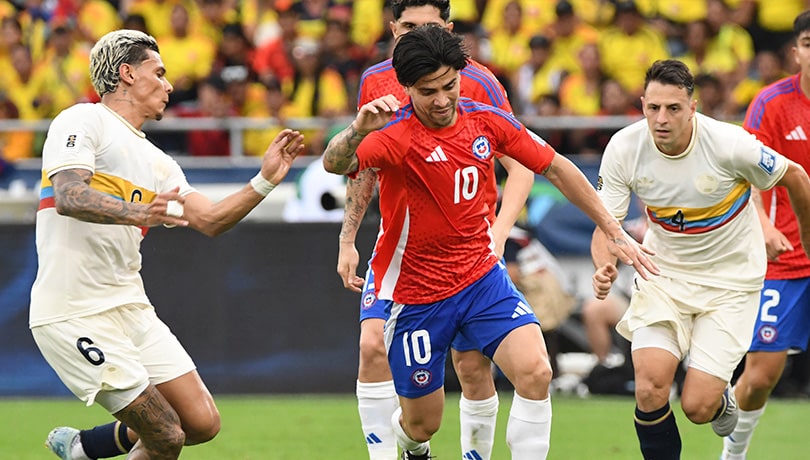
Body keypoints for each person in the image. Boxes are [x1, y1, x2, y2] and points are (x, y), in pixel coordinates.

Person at [323, 24, 656, 460]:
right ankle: (409, 446)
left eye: (449, 85)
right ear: (407, 88)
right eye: (428, 91)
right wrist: (357, 130)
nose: (442, 100)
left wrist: (613, 229)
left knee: (536, 371)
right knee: (423, 423)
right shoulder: (392, 134)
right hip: (416, 294)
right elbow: (335, 162)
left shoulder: (487, 119)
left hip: (481, 279)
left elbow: (557, 168)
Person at [32, 29, 304, 460]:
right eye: (158, 73)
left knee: (199, 423)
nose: (170, 85)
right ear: (126, 74)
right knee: (166, 436)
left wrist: (265, 180)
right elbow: (68, 196)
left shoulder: (160, 163)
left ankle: (85, 447)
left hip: (130, 308)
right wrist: (139, 212)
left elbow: (211, 221)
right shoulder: (81, 120)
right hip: (73, 311)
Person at [337, 1, 535, 459]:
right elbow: (364, 166)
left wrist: (500, 231)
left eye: (427, 27)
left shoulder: (478, 81)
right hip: (402, 251)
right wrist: (348, 238)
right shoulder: (376, 80)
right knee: (371, 347)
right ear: (392, 28)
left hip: (470, 248)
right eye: (407, 27)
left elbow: (521, 164)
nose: (415, 35)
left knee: (472, 367)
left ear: (447, 29)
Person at [591, 59, 810, 460]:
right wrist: (605, 263)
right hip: (663, 275)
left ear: (693, 107)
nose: (662, 118)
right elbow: (608, 224)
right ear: (641, 104)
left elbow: (795, 175)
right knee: (650, 387)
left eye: (673, 108)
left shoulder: (729, 144)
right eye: (653, 108)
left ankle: (719, 398)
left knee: (697, 407)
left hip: (730, 283)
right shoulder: (624, 147)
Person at [721, 11, 810, 460]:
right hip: (787, 259)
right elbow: (744, 173)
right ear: (796, 51)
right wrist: (764, 223)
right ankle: (733, 454)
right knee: (759, 378)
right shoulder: (773, 103)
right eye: (809, 43)